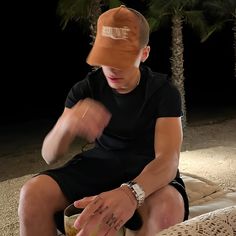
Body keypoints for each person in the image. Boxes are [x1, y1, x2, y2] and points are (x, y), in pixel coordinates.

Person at [18, 5, 189, 236]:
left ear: (144, 53)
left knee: (169, 208)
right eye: (107, 54)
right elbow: (49, 155)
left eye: (124, 56)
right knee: (32, 194)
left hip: (148, 170)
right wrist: (65, 124)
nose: (113, 66)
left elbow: (168, 159)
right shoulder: (85, 89)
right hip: (100, 164)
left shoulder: (163, 92)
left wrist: (131, 193)